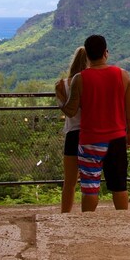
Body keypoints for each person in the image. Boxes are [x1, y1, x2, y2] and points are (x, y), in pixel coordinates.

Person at [61, 34, 130, 212]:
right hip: (116, 137)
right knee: (119, 186)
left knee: (90, 188)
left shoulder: (80, 78)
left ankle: (89, 226)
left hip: (89, 140)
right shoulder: (123, 75)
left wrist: (62, 97)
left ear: (87, 56)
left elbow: (70, 110)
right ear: (106, 53)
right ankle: (124, 225)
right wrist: (129, 132)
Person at [54, 46, 89, 213]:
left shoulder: (64, 85)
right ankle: (87, 213)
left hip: (72, 134)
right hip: (91, 134)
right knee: (90, 180)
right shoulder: (91, 82)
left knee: (69, 182)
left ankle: (65, 213)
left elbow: (67, 109)